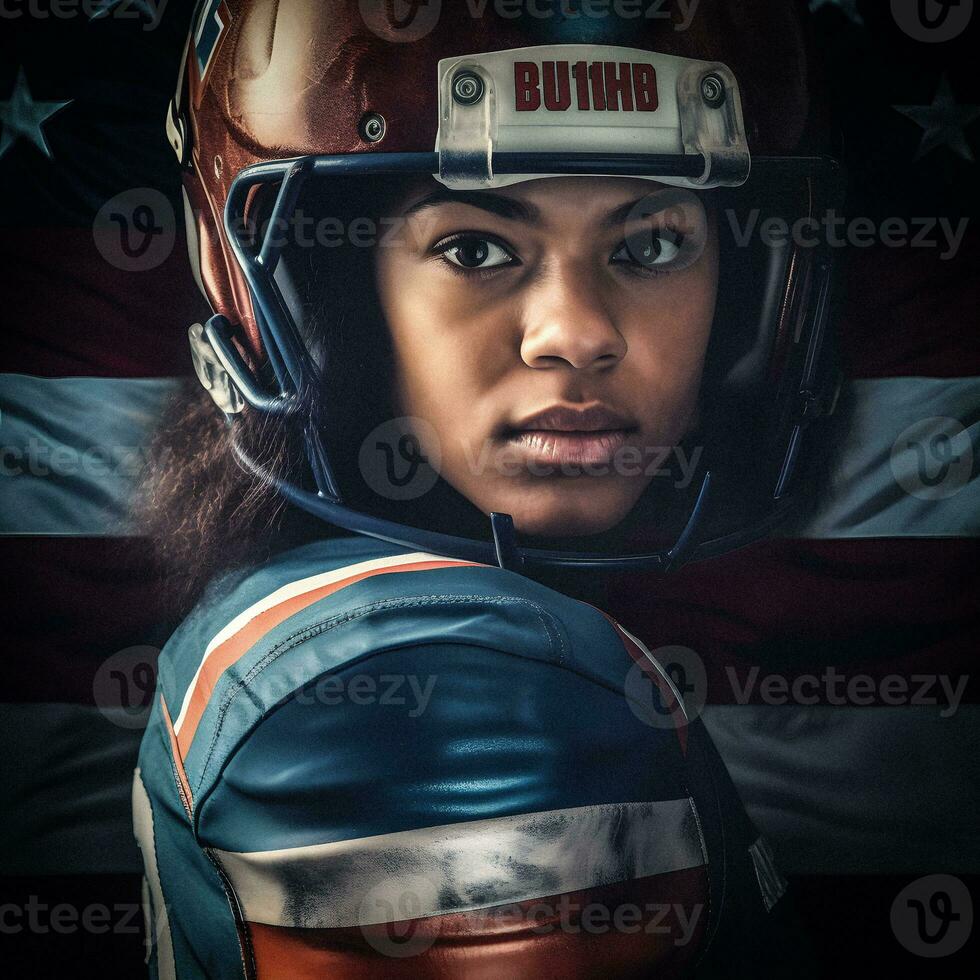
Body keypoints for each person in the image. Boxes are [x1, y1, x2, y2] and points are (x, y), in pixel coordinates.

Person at [134, 1, 839, 976]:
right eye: (474, 246)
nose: (575, 332)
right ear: (330, 296)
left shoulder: (350, 622)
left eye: (650, 243)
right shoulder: (425, 688)